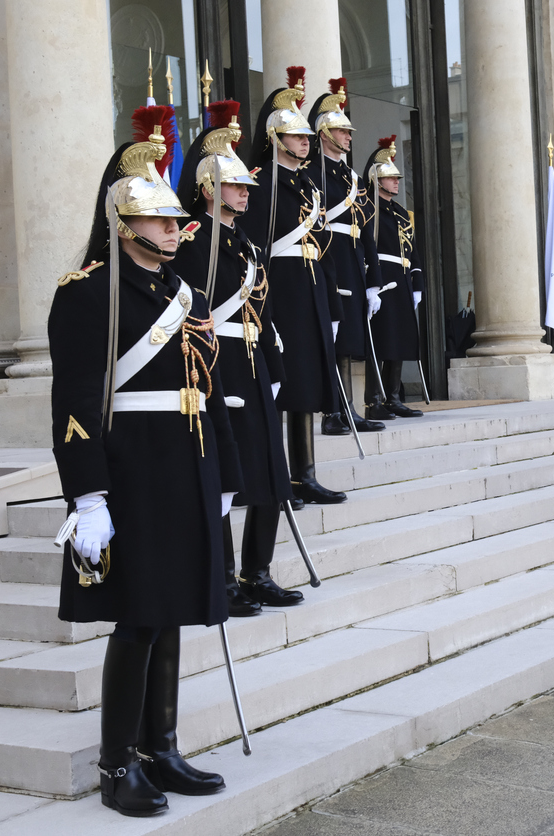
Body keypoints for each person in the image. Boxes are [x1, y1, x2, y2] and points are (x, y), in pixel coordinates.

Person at [49, 106, 242, 816]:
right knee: (137, 618)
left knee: (174, 610)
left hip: (186, 465)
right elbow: (74, 402)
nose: (173, 227)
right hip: (131, 473)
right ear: (124, 223)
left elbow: (207, 388)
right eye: (159, 219)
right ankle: (116, 764)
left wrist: (226, 475)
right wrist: (87, 497)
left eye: (173, 219)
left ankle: (161, 748)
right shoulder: (87, 293)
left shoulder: (181, 291)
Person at [174, 98, 304, 616]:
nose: (246, 192)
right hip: (219, 365)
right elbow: (191, 315)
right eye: (235, 186)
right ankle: (224, 579)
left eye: (247, 185)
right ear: (210, 189)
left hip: (255, 364)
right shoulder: (191, 242)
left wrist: (275, 371)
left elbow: (264, 312)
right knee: (228, 474)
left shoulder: (248, 246)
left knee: (270, 472)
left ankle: (259, 572)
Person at [239, 66, 347, 508]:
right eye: (297, 137)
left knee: (304, 384)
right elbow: (253, 247)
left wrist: (333, 304)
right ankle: (276, 476)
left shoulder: (306, 185)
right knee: (279, 385)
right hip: (279, 291)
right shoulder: (260, 183)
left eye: (306, 137)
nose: (305, 142)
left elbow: (323, 246)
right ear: (275, 138)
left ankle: (305, 474)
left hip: (310, 289)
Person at [306, 78, 385, 434]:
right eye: (342, 131)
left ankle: (349, 409)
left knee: (350, 339)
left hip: (352, 260)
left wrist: (374, 281)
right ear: (324, 134)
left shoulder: (351, 177)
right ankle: (332, 412)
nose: (349, 137)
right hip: (329, 257)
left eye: (349, 132)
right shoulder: (312, 172)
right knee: (331, 340)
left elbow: (366, 229)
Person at [362, 136, 425, 420]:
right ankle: (374, 400)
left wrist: (417, 283)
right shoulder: (368, 209)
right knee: (380, 341)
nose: (396, 182)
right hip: (381, 278)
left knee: (399, 339)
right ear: (377, 180)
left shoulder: (401, 213)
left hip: (401, 279)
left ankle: (394, 397)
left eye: (397, 178)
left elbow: (413, 251)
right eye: (390, 178)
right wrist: (371, 284)